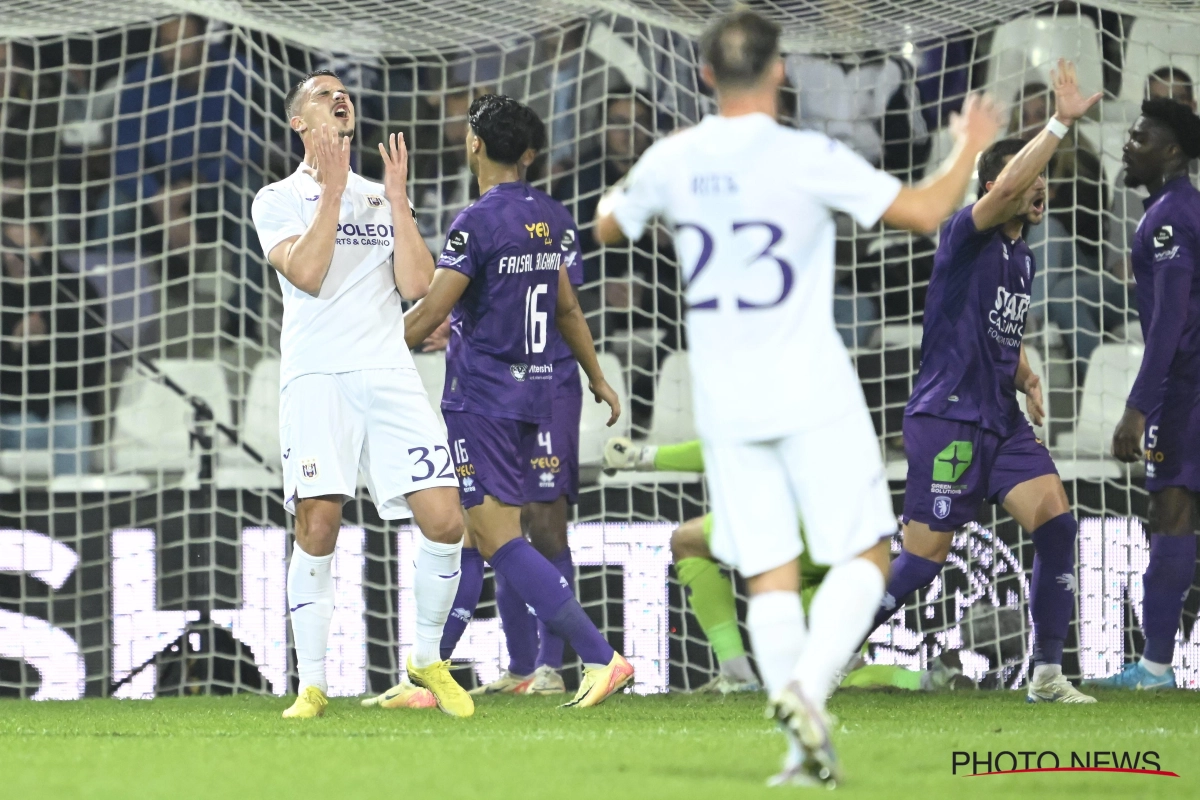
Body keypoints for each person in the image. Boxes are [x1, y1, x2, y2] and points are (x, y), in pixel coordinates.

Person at [594, 9, 1002, 787]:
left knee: (769, 574)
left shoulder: (673, 157)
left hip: (725, 395)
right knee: (870, 555)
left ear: (705, 75)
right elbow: (924, 211)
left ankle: (800, 757)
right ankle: (806, 695)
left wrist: (633, 193)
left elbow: (609, 225)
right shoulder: (807, 154)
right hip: (811, 385)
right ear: (781, 71)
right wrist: (971, 144)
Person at [868, 61, 1101, 707]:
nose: (1041, 190)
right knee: (921, 562)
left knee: (1056, 524)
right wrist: (1058, 122)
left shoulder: (1022, 258)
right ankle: (829, 652)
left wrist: (1023, 371)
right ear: (1000, 185)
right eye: (1032, 180)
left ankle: (1048, 674)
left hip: (999, 419)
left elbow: (998, 326)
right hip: (946, 417)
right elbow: (1003, 192)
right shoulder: (962, 235)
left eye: (1046, 182)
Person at [396, 94, 634, 709]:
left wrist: (374, 352)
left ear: (474, 144)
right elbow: (569, 307)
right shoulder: (551, 216)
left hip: (484, 398)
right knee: (479, 535)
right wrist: (598, 377)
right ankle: (430, 671)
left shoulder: (476, 221)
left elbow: (431, 312)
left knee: (499, 540)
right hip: (534, 394)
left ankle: (601, 658)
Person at [251, 69, 472, 720]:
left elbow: (418, 285)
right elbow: (310, 275)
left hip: (389, 375)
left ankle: (428, 658)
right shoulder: (276, 199)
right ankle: (312, 684)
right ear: (300, 123)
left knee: (445, 519)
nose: (338, 97)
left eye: (343, 92)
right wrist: (333, 193)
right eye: (322, 94)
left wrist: (398, 201)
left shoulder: (380, 198)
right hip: (318, 378)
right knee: (318, 524)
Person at [601, 436, 975, 694]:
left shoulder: (773, 393)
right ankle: (928, 681)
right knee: (830, 670)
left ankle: (736, 674)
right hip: (851, 546)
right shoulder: (827, 398)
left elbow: (722, 451)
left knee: (686, 541)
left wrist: (641, 457)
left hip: (791, 530)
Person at [468, 106, 583, 696]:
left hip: (548, 384)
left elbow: (560, 306)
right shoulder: (482, 219)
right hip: (501, 390)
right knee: (502, 523)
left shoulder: (551, 220)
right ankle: (519, 668)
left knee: (545, 522)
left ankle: (554, 664)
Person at [1088, 98, 1200, 691]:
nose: (1127, 144)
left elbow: (1169, 322)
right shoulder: (1174, 208)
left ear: (1172, 150)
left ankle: (1155, 670)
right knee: (1173, 511)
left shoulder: (1169, 217)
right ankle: (1155, 667)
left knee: (1172, 512)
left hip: (1187, 389)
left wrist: (1138, 408)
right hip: (1186, 384)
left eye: (1141, 136)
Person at [105, 15, 264, 340]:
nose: (174, 52)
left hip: (214, 183)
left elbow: (246, 142)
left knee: (252, 199)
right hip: (156, 187)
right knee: (111, 210)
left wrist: (196, 184)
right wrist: (158, 199)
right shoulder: (140, 80)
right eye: (166, 44)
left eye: (184, 42)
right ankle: (111, 322)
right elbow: (124, 155)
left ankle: (243, 321)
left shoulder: (237, 73)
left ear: (203, 41)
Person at [1, 208, 106, 475]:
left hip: (62, 404)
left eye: (30, 248)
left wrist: (46, 342)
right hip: (8, 410)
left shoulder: (73, 290)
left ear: (45, 243)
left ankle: (71, 514)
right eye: (12, 249)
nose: (20, 258)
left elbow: (91, 366)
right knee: (22, 428)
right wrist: (14, 346)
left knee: (73, 423)